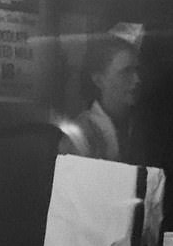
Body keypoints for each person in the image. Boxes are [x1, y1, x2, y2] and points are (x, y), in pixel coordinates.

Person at [59, 31, 144, 162]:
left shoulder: (142, 127)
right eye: (126, 71)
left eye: (137, 70)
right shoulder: (81, 136)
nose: (137, 79)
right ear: (99, 80)